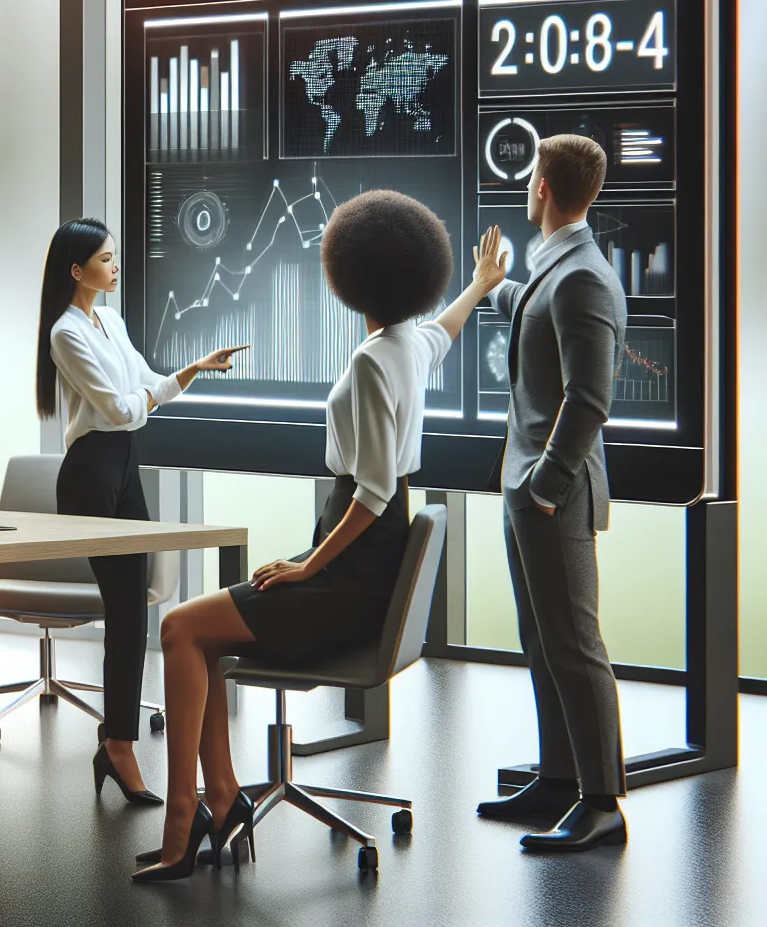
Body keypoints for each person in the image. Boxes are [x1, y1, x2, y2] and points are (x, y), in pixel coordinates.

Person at [134, 190, 505, 882]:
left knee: (181, 630)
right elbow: (446, 328)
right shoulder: (408, 343)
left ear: (350, 273)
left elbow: (373, 492)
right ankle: (219, 798)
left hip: (349, 571)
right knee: (199, 638)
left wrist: (309, 569)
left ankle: (186, 821)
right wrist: (480, 286)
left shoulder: (372, 361)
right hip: (365, 557)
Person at [35, 217, 246, 808]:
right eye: (105, 258)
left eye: (115, 256)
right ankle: (119, 742)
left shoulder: (111, 319)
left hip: (124, 463)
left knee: (134, 611)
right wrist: (144, 401)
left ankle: (117, 739)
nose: (114, 265)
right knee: (124, 607)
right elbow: (117, 407)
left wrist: (193, 369)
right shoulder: (66, 333)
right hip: (91, 473)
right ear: (77, 271)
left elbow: (143, 390)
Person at [473, 134, 630, 852]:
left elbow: (590, 398)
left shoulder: (585, 276)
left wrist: (546, 484)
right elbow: (533, 313)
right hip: (529, 489)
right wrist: (487, 286)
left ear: (541, 187)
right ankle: (560, 779)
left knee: (574, 643)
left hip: (550, 494)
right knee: (541, 639)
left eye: (531, 175)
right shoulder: (558, 266)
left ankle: (602, 802)